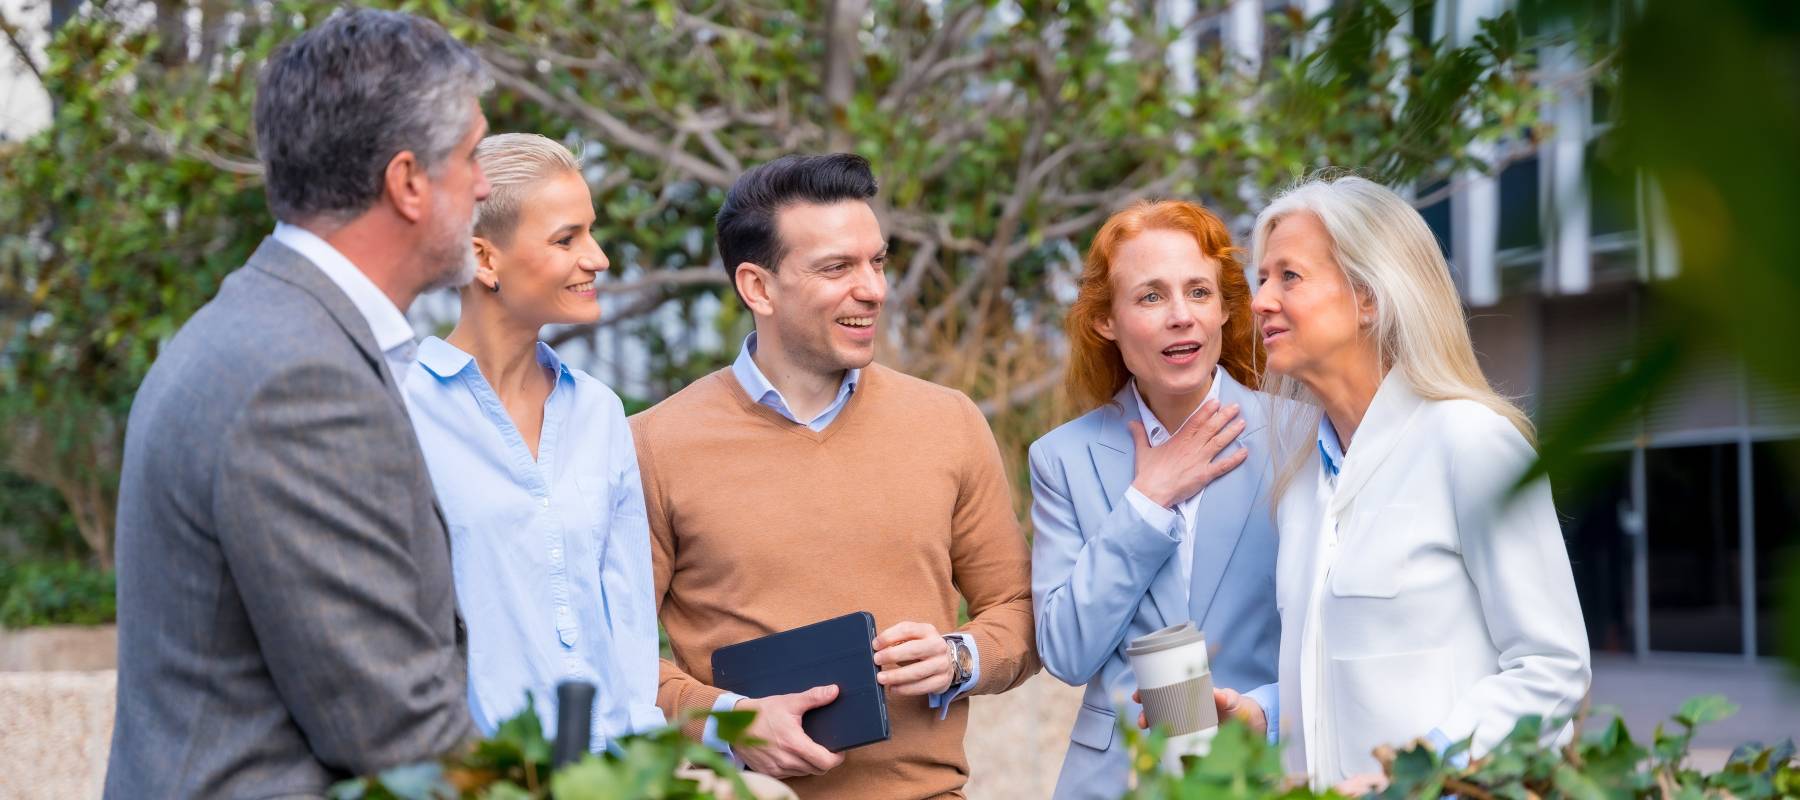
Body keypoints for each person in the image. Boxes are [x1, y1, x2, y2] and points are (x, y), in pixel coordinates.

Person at [106, 9, 489, 797]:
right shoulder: (299, 379)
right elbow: (394, 729)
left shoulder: (264, 327)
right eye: (473, 155)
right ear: (408, 181)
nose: (486, 182)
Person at [629, 153, 1039, 798]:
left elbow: (1019, 610)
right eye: (836, 268)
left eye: (876, 261)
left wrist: (959, 656)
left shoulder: (949, 421)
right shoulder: (652, 445)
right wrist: (730, 722)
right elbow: (610, 659)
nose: (873, 288)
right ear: (757, 288)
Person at [1244, 174, 1591, 790]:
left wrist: (1417, 775)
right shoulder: (1301, 484)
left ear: (1369, 297)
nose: (1262, 300)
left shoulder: (1471, 443)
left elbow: (1551, 670)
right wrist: (1268, 714)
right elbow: (1355, 666)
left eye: (1288, 277)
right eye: (1262, 279)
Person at [403, 133, 664, 750]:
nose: (597, 258)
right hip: (476, 778)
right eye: (566, 239)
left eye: (590, 233)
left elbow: (627, 624)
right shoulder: (403, 411)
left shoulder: (600, 412)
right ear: (483, 260)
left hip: (608, 775)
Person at [1030, 200, 1281, 799]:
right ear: (1105, 320)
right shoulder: (1061, 457)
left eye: (1198, 292)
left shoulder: (1298, 436)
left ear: (1225, 308)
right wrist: (1148, 501)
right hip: (1114, 782)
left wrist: (1264, 710)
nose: (1180, 317)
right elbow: (1065, 651)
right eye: (1149, 296)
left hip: (1260, 773)